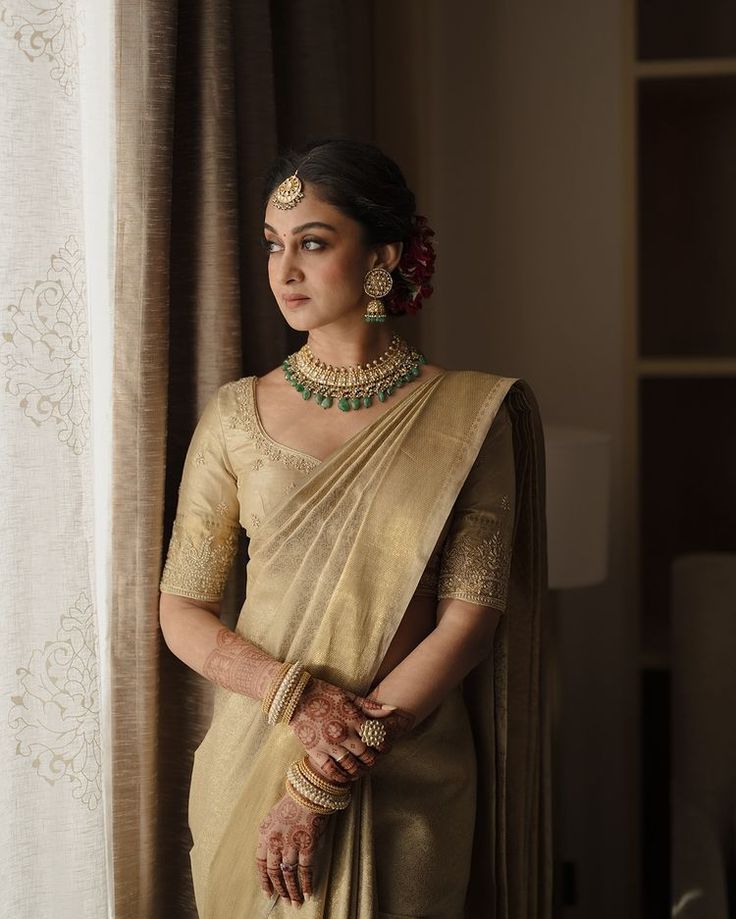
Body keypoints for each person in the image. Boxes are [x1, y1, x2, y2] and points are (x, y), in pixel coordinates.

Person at [158, 138, 551, 919]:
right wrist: (297, 700)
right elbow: (182, 611)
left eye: (313, 242)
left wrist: (324, 777)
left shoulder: (468, 418)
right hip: (252, 759)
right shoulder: (235, 415)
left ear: (384, 256)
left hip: (400, 771)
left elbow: (468, 623)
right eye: (273, 246)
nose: (285, 269)